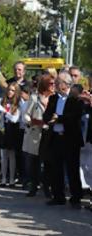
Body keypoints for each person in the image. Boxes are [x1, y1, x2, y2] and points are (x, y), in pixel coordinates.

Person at [43, 71, 83, 208]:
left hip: (70, 139)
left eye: (58, 82)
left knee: (72, 169)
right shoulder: (54, 98)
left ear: (65, 84)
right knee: (56, 168)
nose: (55, 84)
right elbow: (46, 115)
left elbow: (75, 117)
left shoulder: (75, 99)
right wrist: (50, 118)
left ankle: (76, 197)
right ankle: (58, 196)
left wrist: (59, 119)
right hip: (55, 138)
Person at [23, 74, 55, 197]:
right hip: (36, 133)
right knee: (34, 162)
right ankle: (33, 187)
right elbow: (26, 114)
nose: (53, 86)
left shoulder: (54, 98)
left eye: (54, 84)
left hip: (50, 134)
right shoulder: (35, 98)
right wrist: (32, 122)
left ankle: (47, 188)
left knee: (48, 163)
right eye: (50, 84)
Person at [0, 82, 21, 187]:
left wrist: (3, 110)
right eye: (9, 89)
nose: (10, 92)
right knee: (3, 156)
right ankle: (3, 178)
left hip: (12, 130)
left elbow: (14, 119)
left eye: (13, 90)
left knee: (12, 156)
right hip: (3, 130)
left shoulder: (18, 104)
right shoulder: (3, 102)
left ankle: (12, 179)